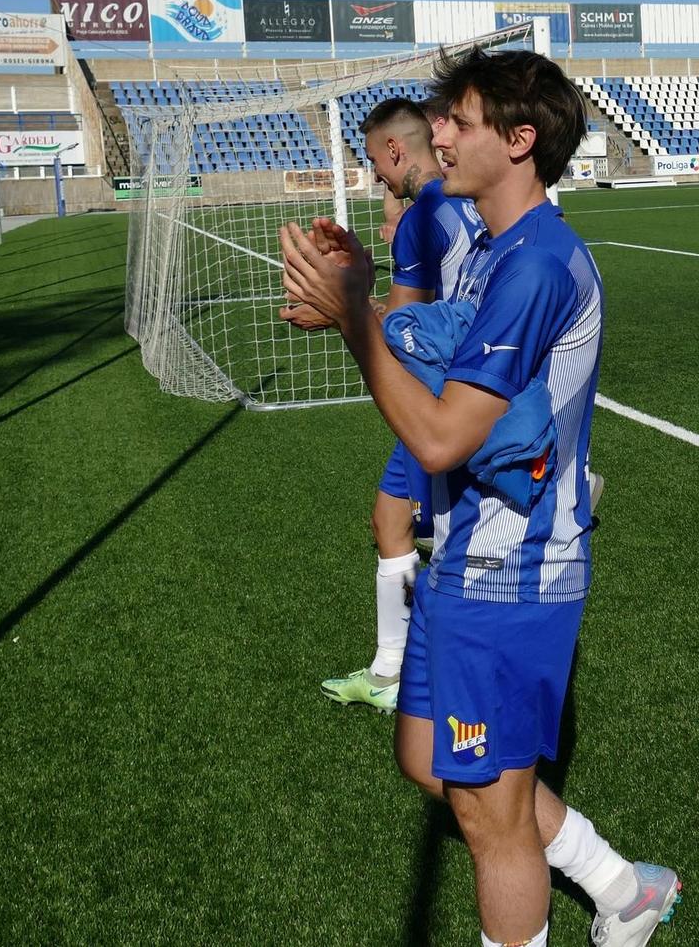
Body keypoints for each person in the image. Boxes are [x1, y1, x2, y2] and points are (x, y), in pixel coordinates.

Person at [280, 49, 678, 947]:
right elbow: (445, 346)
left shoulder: (537, 264)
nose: (439, 137)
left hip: (515, 572)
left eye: (459, 121)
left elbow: (442, 437)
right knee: (428, 757)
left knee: (490, 822)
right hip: (465, 557)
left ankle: (622, 894)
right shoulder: (498, 248)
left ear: (521, 139)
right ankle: (622, 885)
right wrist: (366, 307)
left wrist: (352, 319)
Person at [311, 98, 484, 714]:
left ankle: (407, 673)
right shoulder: (474, 201)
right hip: (479, 381)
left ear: (393, 150)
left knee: (410, 525)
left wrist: (342, 312)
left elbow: (403, 327)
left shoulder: (423, 214)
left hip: (442, 395)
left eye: (375, 163)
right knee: (398, 520)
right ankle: (398, 667)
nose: (376, 177)